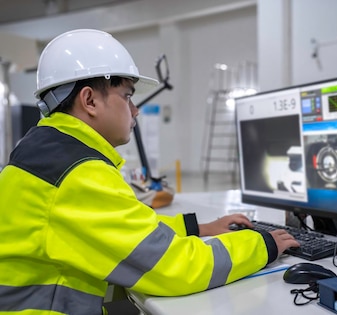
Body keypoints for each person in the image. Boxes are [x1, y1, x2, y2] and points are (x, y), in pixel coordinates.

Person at [0, 29, 300, 314]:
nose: (135, 110)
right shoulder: (77, 172)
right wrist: (264, 243)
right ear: (89, 100)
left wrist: (199, 228)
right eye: (128, 96)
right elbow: (176, 268)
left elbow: (128, 230)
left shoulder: (49, 151)